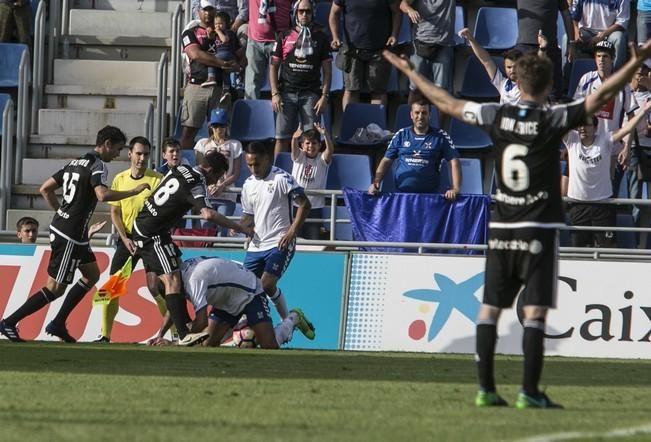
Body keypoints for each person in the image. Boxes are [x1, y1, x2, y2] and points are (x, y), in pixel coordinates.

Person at [383, 38, 651, 408]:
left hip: (502, 227)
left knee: (490, 309)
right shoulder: (553, 117)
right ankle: (528, 391)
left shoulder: (497, 115)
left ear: (518, 84)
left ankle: (486, 389)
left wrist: (411, 72)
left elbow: (446, 103)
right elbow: (601, 94)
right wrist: (633, 65)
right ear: (546, 87)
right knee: (536, 312)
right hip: (538, 229)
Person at [0, 126, 151, 342]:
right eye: (117, 149)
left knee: (92, 275)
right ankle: (9, 322)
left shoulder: (74, 162)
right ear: (107, 144)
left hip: (74, 232)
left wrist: (61, 212)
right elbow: (102, 194)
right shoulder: (97, 165)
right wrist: (133, 191)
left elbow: (45, 188)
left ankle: (58, 323)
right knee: (55, 288)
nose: (117, 154)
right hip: (69, 235)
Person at [131, 151, 251, 341]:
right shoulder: (198, 182)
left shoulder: (181, 168)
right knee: (173, 280)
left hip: (148, 225)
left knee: (173, 273)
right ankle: (184, 334)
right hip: (151, 232)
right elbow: (208, 214)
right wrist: (240, 228)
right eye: (217, 177)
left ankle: (179, 326)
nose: (215, 183)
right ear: (210, 170)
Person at [148, 256, 316, 348]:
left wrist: (177, 342)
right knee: (207, 344)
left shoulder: (194, 280)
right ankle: (242, 324)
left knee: (269, 345)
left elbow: (201, 321)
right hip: (226, 301)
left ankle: (293, 318)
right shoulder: (177, 279)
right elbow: (173, 306)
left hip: (249, 292)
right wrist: (159, 335)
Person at [94, 137, 168, 343]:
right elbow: (115, 212)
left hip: (151, 241)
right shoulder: (120, 178)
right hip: (126, 239)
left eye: (145, 154)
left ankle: (174, 333)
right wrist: (125, 239)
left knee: (157, 289)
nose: (142, 158)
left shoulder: (157, 180)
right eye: (138, 153)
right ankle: (104, 335)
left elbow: (163, 213)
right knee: (112, 289)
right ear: (130, 154)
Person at [241, 141, 312, 320]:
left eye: (256, 164)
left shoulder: (282, 178)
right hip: (256, 246)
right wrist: (239, 227)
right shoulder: (248, 184)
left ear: (267, 158)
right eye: (249, 165)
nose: (253, 169)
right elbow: (249, 215)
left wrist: (291, 233)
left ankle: (264, 325)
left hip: (279, 242)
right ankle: (289, 320)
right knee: (243, 288)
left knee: (265, 284)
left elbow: (305, 204)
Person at [564, 106, 651, 247]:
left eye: (587, 125)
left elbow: (627, 128)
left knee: (608, 248)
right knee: (578, 251)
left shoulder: (605, 140)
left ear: (595, 128)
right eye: (580, 125)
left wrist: (644, 110)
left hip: (602, 205)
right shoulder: (571, 139)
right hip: (578, 204)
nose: (582, 128)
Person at [573, 40, 638, 202]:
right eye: (598, 56)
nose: (601, 60)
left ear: (613, 59)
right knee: (584, 192)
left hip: (612, 149)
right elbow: (575, 112)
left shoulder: (622, 84)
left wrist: (627, 147)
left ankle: (607, 228)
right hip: (587, 147)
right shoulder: (586, 79)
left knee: (609, 196)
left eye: (605, 57)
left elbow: (631, 117)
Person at [270, 0, 332, 156]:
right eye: (301, 11)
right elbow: (273, 66)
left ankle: (307, 177)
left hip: (311, 95)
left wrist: (324, 96)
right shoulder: (284, 35)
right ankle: (278, 174)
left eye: (308, 11)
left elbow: (327, 70)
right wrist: (274, 93)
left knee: (310, 140)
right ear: (295, 12)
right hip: (286, 94)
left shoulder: (321, 36)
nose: (304, 14)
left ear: (313, 13)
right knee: (281, 138)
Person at [180, 0, 240, 150]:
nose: (207, 13)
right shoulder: (190, 32)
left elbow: (241, 60)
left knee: (219, 133)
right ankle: (185, 167)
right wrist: (221, 63)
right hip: (197, 85)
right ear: (198, 11)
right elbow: (196, 54)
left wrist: (234, 65)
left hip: (220, 87)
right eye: (204, 10)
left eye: (210, 9)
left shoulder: (228, 34)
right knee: (189, 131)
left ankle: (218, 169)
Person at [368, 100, 461, 197]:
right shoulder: (401, 135)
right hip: (402, 197)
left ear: (430, 115)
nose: (420, 117)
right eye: (417, 113)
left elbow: (454, 161)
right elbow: (386, 160)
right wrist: (376, 182)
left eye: (424, 113)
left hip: (430, 196)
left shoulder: (441, 136)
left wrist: (455, 189)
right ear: (411, 115)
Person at [329, 0, 400, 109]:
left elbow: (396, 12)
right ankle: (350, 124)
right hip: (352, 51)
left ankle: (377, 125)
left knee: (378, 92)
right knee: (351, 90)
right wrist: (335, 37)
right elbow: (334, 13)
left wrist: (394, 35)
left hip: (380, 50)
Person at [193, 108, 242, 235]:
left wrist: (222, 185)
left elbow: (236, 173)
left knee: (222, 232)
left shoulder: (235, 145)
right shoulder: (202, 144)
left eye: (222, 126)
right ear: (210, 127)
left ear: (226, 126)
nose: (219, 130)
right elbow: (199, 169)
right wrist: (208, 185)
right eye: (215, 126)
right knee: (205, 231)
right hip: (206, 194)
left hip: (227, 194)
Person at [515, 0, 575, 100]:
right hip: (525, 46)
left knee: (554, 94)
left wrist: (572, 42)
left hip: (549, 47)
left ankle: (552, 114)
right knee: (522, 90)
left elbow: (567, 15)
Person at [400, 0, 455, 99]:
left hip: (443, 44)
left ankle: (438, 114)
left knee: (441, 90)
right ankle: (410, 113)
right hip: (419, 43)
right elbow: (403, 4)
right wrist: (410, 10)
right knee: (415, 87)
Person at [290, 122, 334, 239]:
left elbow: (329, 151)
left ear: (319, 145)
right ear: (302, 145)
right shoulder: (299, 156)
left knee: (313, 239)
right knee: (296, 238)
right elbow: (294, 149)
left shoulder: (321, 159)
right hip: (297, 205)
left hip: (315, 207)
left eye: (314, 143)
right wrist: (294, 138)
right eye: (307, 143)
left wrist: (326, 135)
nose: (311, 146)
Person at [457, 28, 523, 105]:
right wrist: (471, 39)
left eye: (515, 66)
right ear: (504, 67)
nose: (512, 70)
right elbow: (486, 61)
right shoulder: (502, 83)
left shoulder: (529, 85)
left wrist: (541, 50)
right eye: (509, 67)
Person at [245, 0, 292, 99]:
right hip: (255, 40)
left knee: (280, 83)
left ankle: (281, 113)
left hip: (280, 40)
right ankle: (253, 113)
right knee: (251, 83)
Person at [202, 10, 246, 108]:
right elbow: (211, 40)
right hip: (224, 57)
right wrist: (210, 34)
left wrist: (218, 31)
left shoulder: (228, 33)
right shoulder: (217, 34)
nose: (218, 26)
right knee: (225, 72)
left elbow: (225, 40)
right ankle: (226, 90)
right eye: (216, 24)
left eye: (221, 24)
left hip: (226, 54)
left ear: (226, 24)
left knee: (211, 59)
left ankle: (211, 77)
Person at [570, 0, 629, 70]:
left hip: (609, 33)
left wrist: (602, 35)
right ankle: (566, 78)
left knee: (619, 39)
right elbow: (573, 17)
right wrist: (576, 31)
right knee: (567, 39)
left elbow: (622, 22)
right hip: (586, 32)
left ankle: (617, 77)